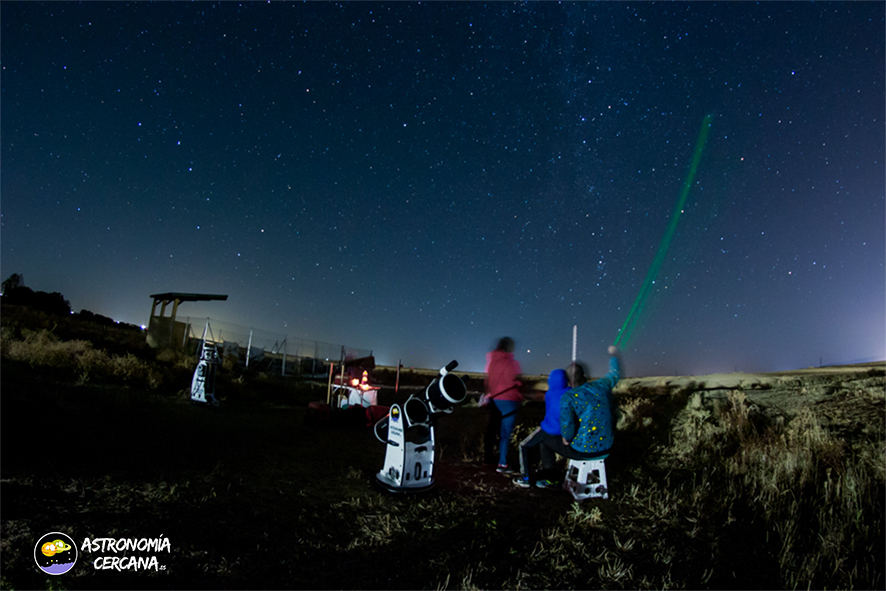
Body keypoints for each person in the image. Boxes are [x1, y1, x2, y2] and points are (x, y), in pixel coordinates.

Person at [535, 345, 621, 489]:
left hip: (583, 450)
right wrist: (613, 356)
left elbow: (567, 430)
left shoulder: (568, 396)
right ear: (585, 375)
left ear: (568, 381)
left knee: (544, 441)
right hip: (607, 448)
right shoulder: (602, 385)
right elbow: (614, 373)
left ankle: (551, 479)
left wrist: (566, 438)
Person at [512, 368, 569, 487]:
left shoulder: (550, 394)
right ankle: (551, 479)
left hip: (548, 429)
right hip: (564, 432)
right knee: (545, 446)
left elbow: (543, 398)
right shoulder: (571, 393)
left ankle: (525, 478)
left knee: (523, 445)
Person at [483, 337, 524, 473]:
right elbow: (514, 380)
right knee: (505, 434)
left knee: (492, 430)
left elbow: (488, 381)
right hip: (509, 401)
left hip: (494, 400)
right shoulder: (512, 363)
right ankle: (503, 463)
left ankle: (488, 458)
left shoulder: (492, 362)